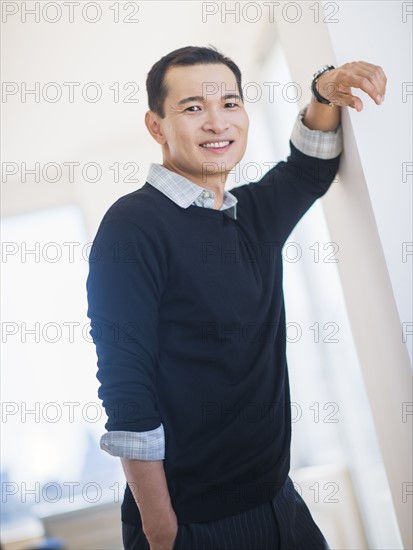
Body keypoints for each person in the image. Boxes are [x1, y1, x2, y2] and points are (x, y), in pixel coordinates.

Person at [86, 46, 386, 550]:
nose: (216, 123)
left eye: (229, 103)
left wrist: (322, 89)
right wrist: (164, 532)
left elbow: (309, 169)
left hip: (280, 505)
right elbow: (126, 388)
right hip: (192, 525)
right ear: (156, 126)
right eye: (192, 108)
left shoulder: (251, 215)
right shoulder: (132, 226)